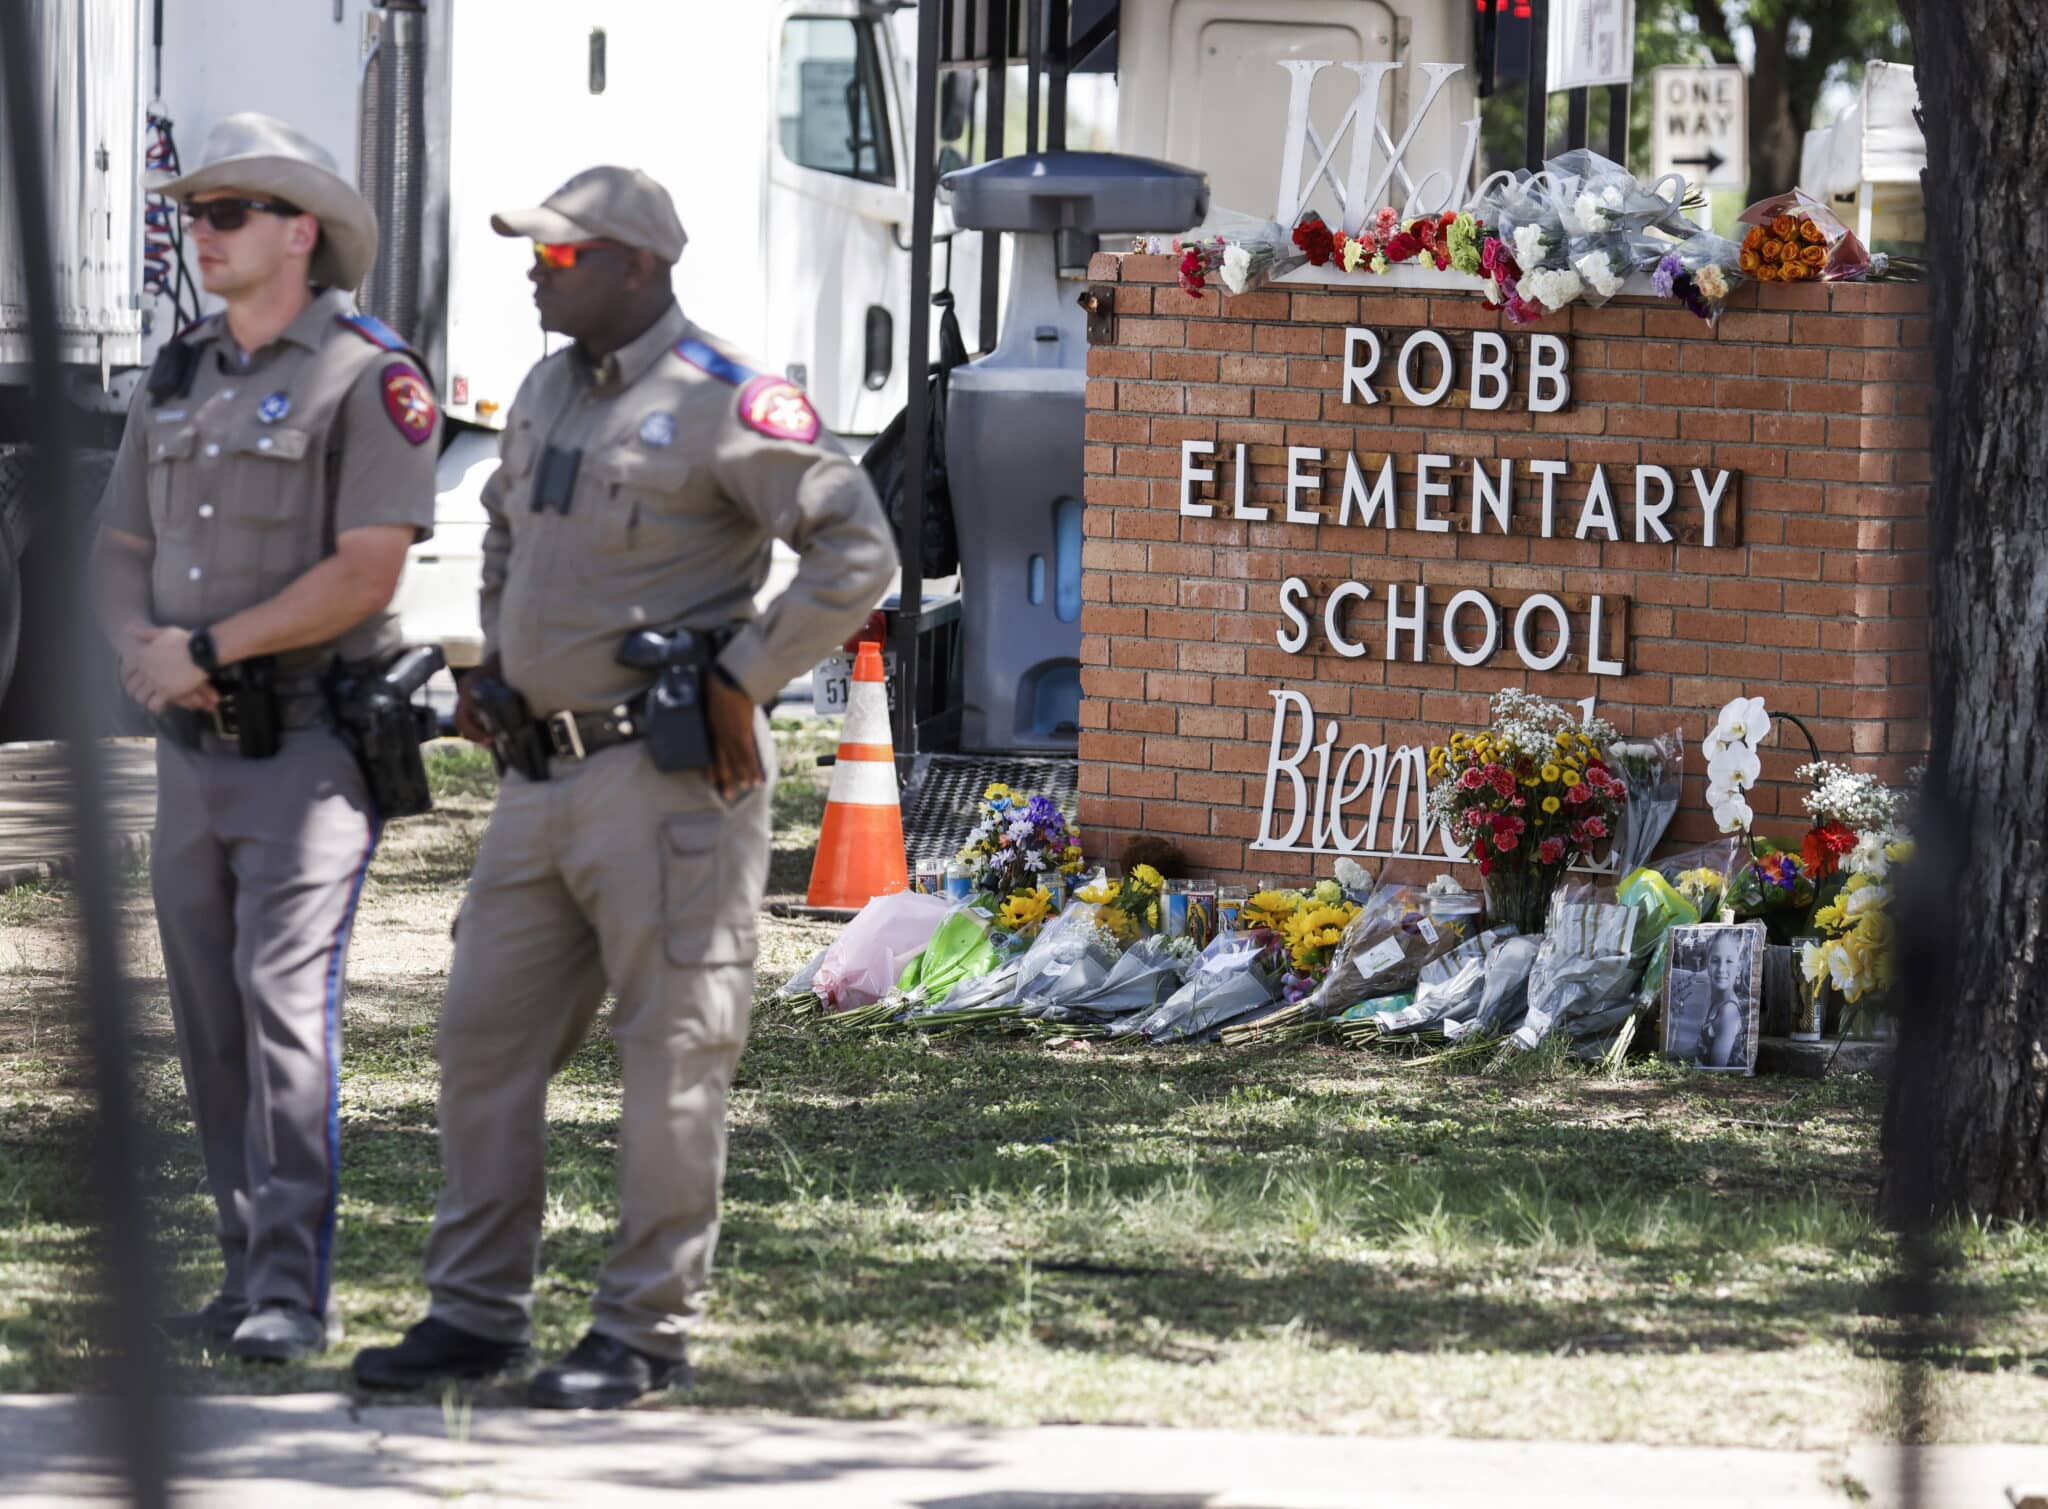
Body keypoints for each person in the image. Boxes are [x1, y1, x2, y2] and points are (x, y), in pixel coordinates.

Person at [352, 165, 896, 1408]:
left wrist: (745, 677)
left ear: (636, 266)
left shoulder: (723, 399)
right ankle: (477, 1316)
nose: (533, 274)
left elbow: (854, 547)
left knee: (671, 1059)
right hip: (537, 782)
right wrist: (493, 662)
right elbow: (501, 526)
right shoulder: (546, 388)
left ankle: (642, 1333)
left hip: (666, 787)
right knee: (482, 1043)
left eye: (557, 257)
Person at [92, 114, 439, 1361]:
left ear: (300, 232)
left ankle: (293, 1292)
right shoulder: (180, 369)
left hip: (306, 751)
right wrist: (140, 646)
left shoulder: (367, 372)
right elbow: (118, 547)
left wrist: (206, 651)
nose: (204, 234)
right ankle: (244, 1280)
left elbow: (365, 573)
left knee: (283, 1003)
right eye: (193, 214)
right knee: (205, 1017)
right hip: (189, 757)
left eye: (228, 214)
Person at [1697, 930, 1749, 1068]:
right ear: (1707, 964)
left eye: (1729, 961)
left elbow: (1716, 1069)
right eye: (1715, 960)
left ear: (1738, 968)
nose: (1721, 968)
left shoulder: (1728, 1011)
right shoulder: (1715, 1001)